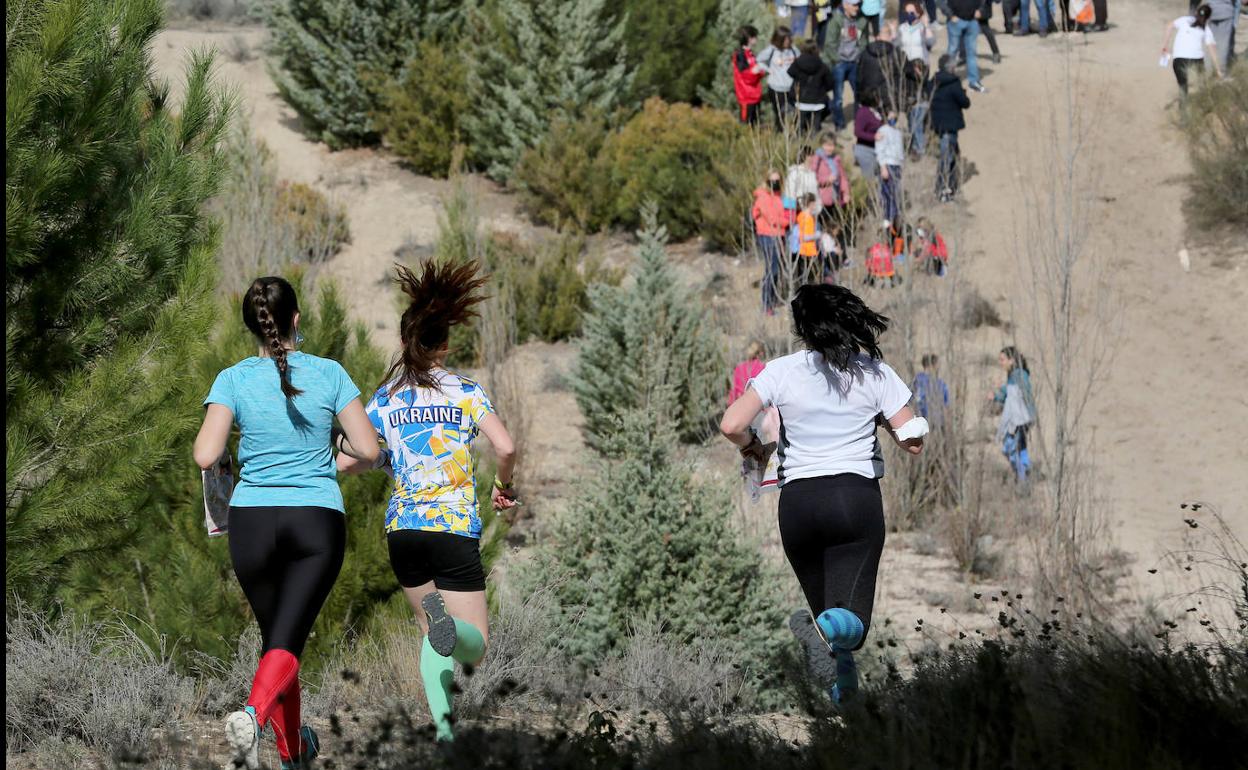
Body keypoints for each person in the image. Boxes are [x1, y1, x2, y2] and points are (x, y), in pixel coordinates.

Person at [194, 277, 379, 770]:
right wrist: (330, 459)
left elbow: (205, 453)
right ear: (296, 319)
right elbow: (369, 449)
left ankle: (293, 752)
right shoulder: (330, 373)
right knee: (286, 641)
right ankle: (252, 717)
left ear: (252, 327)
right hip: (315, 521)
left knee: (279, 638)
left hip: (252, 522)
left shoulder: (232, 378)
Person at [337, 260, 519, 743]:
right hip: (452, 527)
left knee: (431, 636)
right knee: (472, 647)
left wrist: (378, 462)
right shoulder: (465, 391)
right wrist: (506, 486)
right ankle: (448, 652)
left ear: (403, 343)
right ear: (444, 345)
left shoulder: (384, 400)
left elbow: (348, 459)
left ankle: (444, 734)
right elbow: (505, 447)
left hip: (403, 531)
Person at [719, 284, 925, 705]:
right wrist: (888, 424)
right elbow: (913, 442)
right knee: (850, 626)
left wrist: (752, 447)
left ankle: (844, 714)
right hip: (854, 500)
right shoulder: (875, 373)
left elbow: (731, 424)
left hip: (798, 507)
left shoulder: (780, 370)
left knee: (833, 640)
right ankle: (822, 633)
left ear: (802, 328)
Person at [823, 0, 872, 131]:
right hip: (839, 63)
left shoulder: (862, 21)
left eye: (858, 5)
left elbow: (864, 42)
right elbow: (829, 44)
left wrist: (859, 57)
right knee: (838, 97)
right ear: (845, 5)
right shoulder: (835, 21)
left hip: (855, 63)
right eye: (854, 5)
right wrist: (837, 60)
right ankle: (839, 124)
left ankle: (858, 121)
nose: (857, 7)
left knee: (859, 94)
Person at [990, 346, 1035, 483]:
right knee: (1020, 448)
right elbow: (1010, 395)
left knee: (1009, 448)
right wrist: (998, 394)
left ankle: (1022, 477)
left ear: (1012, 360)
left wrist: (1027, 416)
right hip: (1020, 420)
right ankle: (1024, 474)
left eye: (1003, 359)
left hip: (1020, 420)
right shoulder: (1013, 375)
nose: (1000, 363)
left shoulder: (1019, 375)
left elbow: (1019, 396)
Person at [930, 54, 970, 202]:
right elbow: (965, 103)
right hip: (951, 125)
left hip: (939, 125)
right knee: (947, 159)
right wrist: (963, 94)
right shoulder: (954, 84)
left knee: (952, 157)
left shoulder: (933, 82)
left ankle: (952, 187)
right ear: (950, 67)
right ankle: (941, 189)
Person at [1161, 5, 1224, 97]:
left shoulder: (1184, 20)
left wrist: (1164, 46)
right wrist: (1218, 70)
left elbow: (1169, 26)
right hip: (1196, 60)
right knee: (1202, 84)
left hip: (1179, 59)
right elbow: (1212, 51)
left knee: (1183, 86)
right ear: (1208, 17)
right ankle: (1202, 103)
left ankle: (1184, 109)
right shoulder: (1206, 29)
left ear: (1196, 12)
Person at [753, 170, 790, 314]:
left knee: (777, 269)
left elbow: (787, 211)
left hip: (779, 235)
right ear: (766, 181)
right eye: (772, 180)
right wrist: (788, 222)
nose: (775, 183)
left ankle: (772, 301)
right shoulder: (763, 197)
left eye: (777, 180)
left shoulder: (780, 196)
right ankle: (766, 304)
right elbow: (773, 219)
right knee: (771, 270)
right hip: (768, 236)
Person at [859, 21, 908, 111]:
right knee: (888, 123)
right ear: (891, 37)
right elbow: (907, 72)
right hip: (889, 97)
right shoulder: (897, 54)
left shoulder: (864, 53)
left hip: (869, 96)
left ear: (877, 37)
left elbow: (859, 75)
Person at [789, 40, 836, 133]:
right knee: (815, 129)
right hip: (818, 102)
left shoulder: (797, 63)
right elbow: (830, 83)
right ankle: (814, 145)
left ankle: (799, 145)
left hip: (801, 101)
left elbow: (790, 72)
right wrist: (821, 89)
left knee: (799, 129)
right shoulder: (822, 65)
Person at [941, 0, 988, 92]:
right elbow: (940, 2)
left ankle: (974, 81)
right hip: (955, 21)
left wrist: (980, 10)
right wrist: (950, 15)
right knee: (952, 51)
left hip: (972, 21)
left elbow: (983, 2)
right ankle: (946, 80)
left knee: (972, 53)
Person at [759, 27, 799, 128]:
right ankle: (780, 133)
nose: (787, 41)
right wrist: (768, 70)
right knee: (779, 114)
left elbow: (801, 60)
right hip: (776, 88)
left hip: (791, 88)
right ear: (779, 39)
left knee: (794, 111)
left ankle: (794, 131)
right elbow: (759, 60)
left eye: (789, 38)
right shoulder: (771, 50)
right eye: (785, 39)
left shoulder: (793, 49)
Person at [875, 109, 905, 230]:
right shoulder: (882, 131)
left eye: (895, 115)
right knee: (887, 193)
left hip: (897, 165)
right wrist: (883, 166)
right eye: (890, 115)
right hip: (888, 164)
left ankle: (895, 218)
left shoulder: (897, 132)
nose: (893, 117)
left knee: (895, 193)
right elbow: (879, 149)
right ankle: (887, 218)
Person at [732, 25, 768, 125]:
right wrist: (756, 71)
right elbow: (746, 76)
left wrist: (760, 71)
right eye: (755, 36)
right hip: (746, 97)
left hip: (755, 95)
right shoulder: (740, 55)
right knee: (745, 125)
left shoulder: (750, 53)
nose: (757, 39)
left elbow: (756, 72)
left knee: (754, 125)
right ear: (749, 38)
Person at [812, 133, 853, 217]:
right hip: (820, 200)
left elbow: (842, 178)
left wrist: (846, 193)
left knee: (834, 226)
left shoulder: (836, 159)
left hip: (835, 198)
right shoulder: (817, 159)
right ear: (821, 144)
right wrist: (827, 179)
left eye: (832, 145)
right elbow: (812, 178)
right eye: (827, 145)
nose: (829, 148)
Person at [853, 90, 884, 182]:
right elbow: (857, 132)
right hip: (865, 150)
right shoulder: (863, 112)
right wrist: (873, 137)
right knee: (869, 181)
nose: (880, 100)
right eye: (878, 98)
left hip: (877, 150)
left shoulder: (875, 111)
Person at [912, 353, 950, 424]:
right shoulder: (940, 384)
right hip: (936, 421)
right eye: (937, 365)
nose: (938, 368)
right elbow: (946, 405)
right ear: (932, 366)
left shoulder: (916, 380)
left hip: (922, 422)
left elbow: (911, 400)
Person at [786, 146, 822, 219]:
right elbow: (789, 194)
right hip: (799, 214)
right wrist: (798, 209)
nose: (813, 158)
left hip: (813, 215)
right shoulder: (795, 173)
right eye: (810, 155)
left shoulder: (813, 174)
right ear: (804, 157)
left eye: (813, 155)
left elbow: (816, 194)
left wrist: (818, 208)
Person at [1206, 0, 1235, 74]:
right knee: (1223, 46)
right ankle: (1221, 74)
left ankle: (1208, 71)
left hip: (1210, 11)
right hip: (1226, 12)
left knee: (1210, 43)